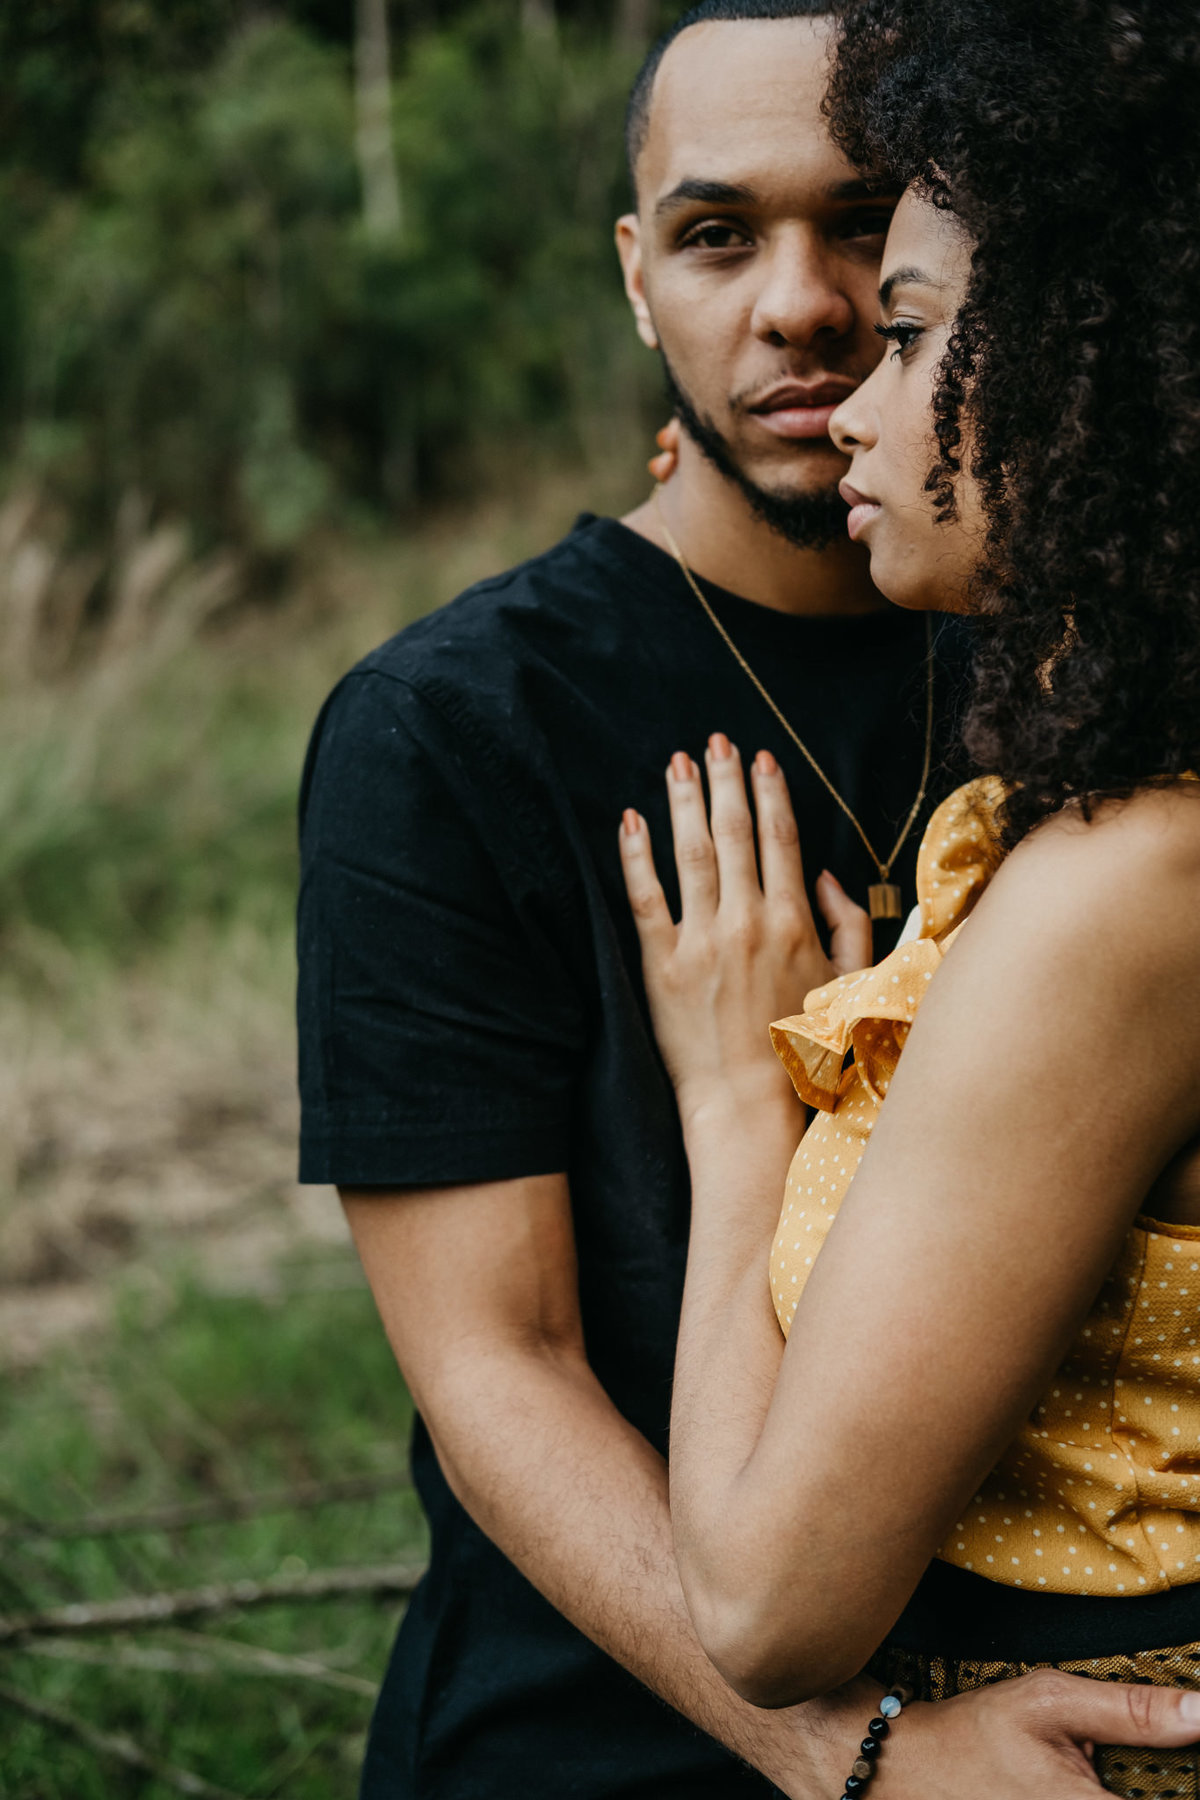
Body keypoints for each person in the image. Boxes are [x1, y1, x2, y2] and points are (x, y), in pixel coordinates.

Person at [297, 3, 1191, 1795]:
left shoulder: (1105, 672)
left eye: (868, 233)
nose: (803, 306)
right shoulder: (453, 727)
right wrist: (849, 1755)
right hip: (610, 1737)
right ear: (638, 279)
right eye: (719, 235)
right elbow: (502, 1365)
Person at [617, 2, 1200, 1796]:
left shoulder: (1132, 890)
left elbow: (772, 1605)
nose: (853, 389)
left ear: (1115, 368)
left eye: (920, 327)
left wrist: (734, 1110)